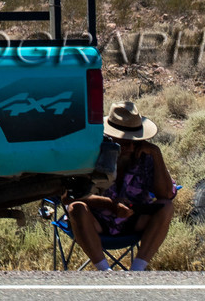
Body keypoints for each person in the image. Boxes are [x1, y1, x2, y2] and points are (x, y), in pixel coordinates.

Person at [66, 101, 176, 271]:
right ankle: (105, 272)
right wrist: (109, 204)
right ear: (110, 138)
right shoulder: (91, 156)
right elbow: (68, 196)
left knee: (166, 207)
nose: (131, 147)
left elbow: (167, 194)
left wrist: (156, 153)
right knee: (76, 208)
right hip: (96, 222)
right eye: (125, 142)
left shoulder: (146, 156)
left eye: (136, 141)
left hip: (134, 220)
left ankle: (137, 270)